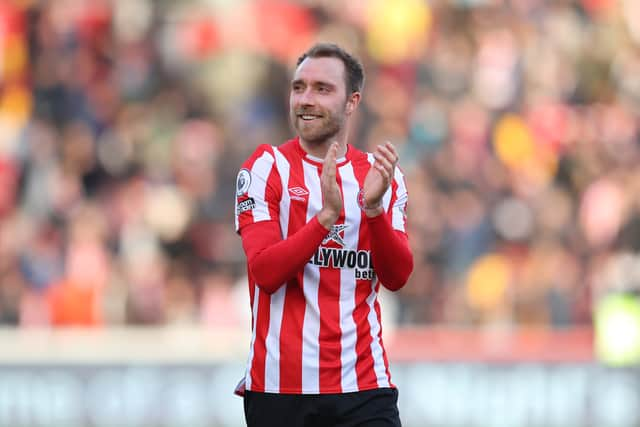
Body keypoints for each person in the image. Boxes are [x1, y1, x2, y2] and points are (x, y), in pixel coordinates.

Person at [233, 42, 413, 427]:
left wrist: (374, 211)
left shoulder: (383, 175)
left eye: (322, 89)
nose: (306, 100)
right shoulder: (266, 168)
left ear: (352, 102)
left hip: (364, 387)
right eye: (299, 88)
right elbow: (265, 272)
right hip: (280, 390)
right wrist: (325, 219)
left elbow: (397, 276)